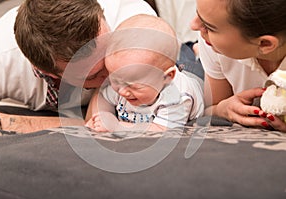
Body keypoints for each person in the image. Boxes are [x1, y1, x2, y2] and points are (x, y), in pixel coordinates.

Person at [0, 0, 156, 132]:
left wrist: (20, 124)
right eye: (94, 74)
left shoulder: (137, 23)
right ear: (49, 73)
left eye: (110, 52)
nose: (112, 74)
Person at [86, 14, 204, 132]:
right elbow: (102, 97)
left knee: (194, 63)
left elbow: (161, 129)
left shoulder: (178, 97)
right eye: (115, 79)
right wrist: (102, 117)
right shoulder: (124, 80)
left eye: (133, 85)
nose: (122, 91)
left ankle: (195, 49)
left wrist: (117, 126)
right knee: (167, 59)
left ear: (167, 77)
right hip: (164, 69)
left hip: (193, 75)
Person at [191, 0, 286, 132]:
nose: (193, 25)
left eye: (209, 27)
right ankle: (194, 51)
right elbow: (210, 108)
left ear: (264, 43)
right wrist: (222, 109)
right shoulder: (211, 43)